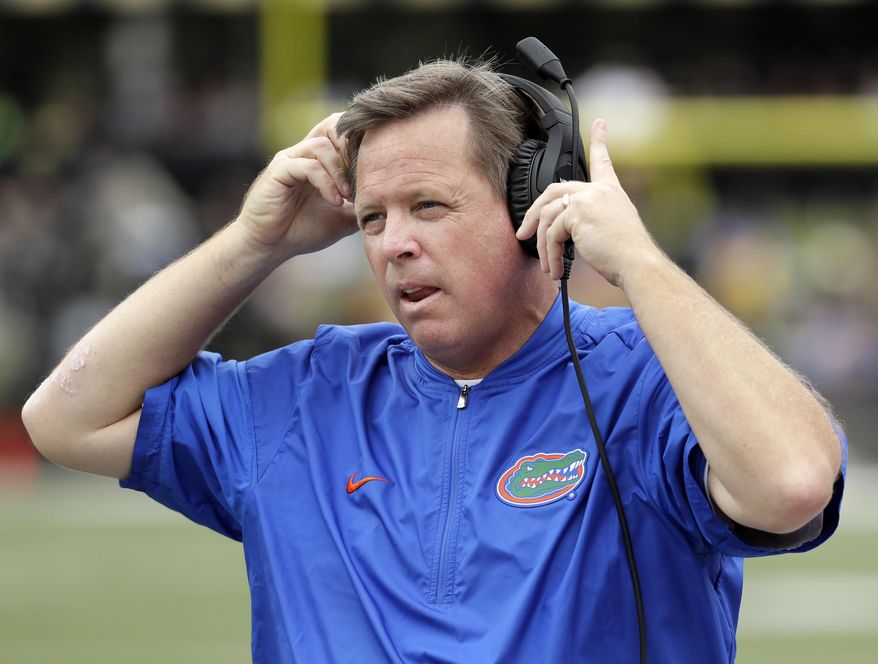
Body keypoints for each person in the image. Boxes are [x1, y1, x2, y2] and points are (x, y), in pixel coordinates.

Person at [23, 58, 845, 663]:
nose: (396, 245)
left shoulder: (644, 376)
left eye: (429, 206)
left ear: (533, 205)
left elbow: (791, 484)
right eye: (373, 218)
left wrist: (643, 266)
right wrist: (253, 244)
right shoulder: (310, 390)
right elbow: (65, 416)